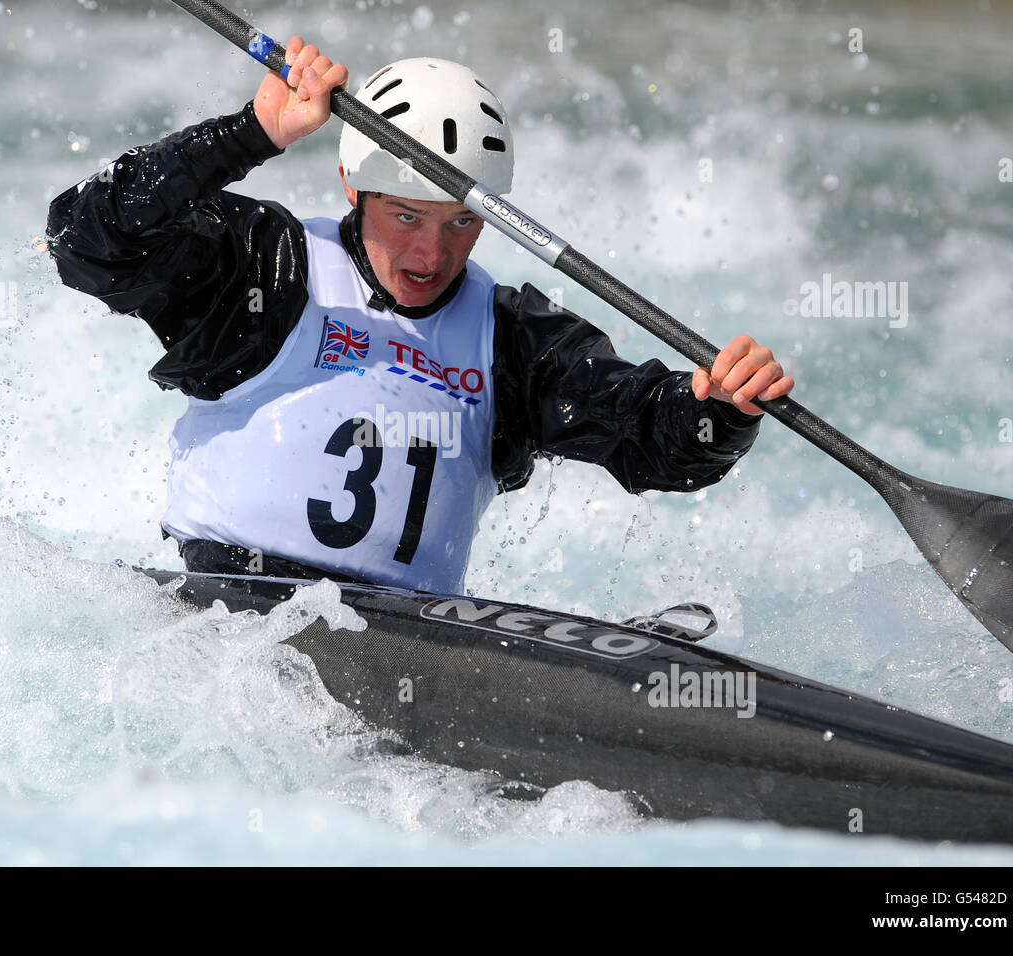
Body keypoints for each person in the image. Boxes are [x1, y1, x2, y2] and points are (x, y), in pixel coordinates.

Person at [46, 36, 794, 593]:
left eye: (458, 224)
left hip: (412, 644)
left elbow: (652, 437)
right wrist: (248, 134)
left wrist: (718, 411)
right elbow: (84, 240)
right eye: (406, 216)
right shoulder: (265, 270)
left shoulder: (513, 342)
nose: (430, 254)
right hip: (228, 611)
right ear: (351, 185)